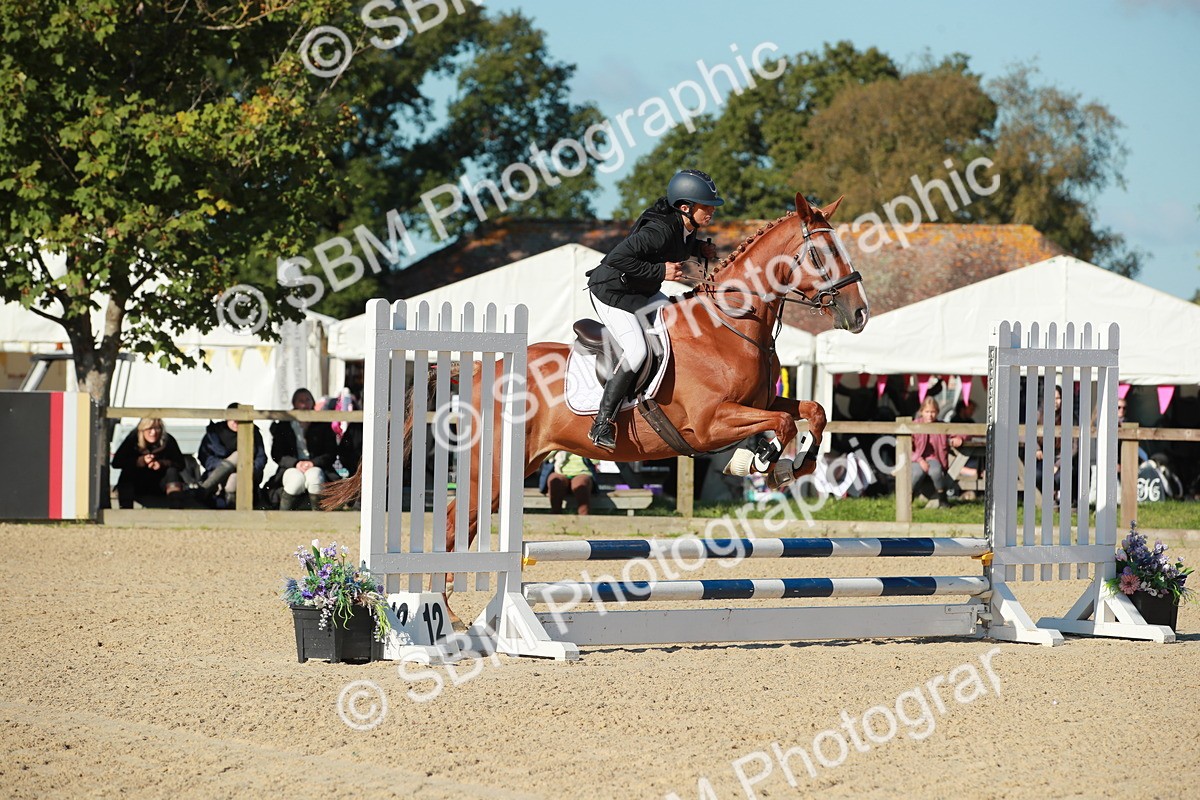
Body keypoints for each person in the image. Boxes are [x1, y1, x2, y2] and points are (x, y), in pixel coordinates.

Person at [584, 169, 722, 450]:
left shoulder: (685, 229)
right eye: (706, 206)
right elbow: (616, 258)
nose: (711, 211)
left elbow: (676, 245)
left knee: (680, 326)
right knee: (638, 350)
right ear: (686, 207)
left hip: (640, 292)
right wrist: (661, 271)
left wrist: (697, 251)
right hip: (612, 292)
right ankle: (602, 423)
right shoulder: (658, 231)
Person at [267, 388, 338, 510]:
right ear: (294, 403)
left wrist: (313, 463)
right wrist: (296, 463)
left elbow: (331, 452)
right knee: (295, 481)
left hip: (317, 466)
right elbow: (277, 454)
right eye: (300, 401)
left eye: (307, 400)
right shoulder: (284, 425)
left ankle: (319, 518)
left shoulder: (322, 424)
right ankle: (284, 518)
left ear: (313, 402)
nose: (304, 404)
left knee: (315, 477)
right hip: (291, 467)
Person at [197, 402, 267, 509]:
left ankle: (205, 489)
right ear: (226, 418)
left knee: (236, 468)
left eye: (238, 418)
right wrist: (224, 466)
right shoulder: (214, 433)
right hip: (217, 476)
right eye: (232, 418)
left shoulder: (253, 433)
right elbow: (204, 456)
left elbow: (261, 458)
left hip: (246, 475)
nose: (235, 421)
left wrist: (248, 470)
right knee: (237, 458)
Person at [111, 418, 187, 509]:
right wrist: (138, 461)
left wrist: (161, 463)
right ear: (142, 430)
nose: (153, 432)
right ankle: (125, 510)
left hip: (161, 485)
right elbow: (116, 462)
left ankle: (177, 508)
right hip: (138, 484)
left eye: (157, 429)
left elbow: (181, 463)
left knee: (172, 471)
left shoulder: (168, 440)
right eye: (149, 429)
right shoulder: (132, 440)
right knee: (127, 471)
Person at [911, 397, 958, 508]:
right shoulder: (914, 425)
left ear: (937, 412)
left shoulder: (942, 426)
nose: (930, 415)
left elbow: (962, 431)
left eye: (933, 412)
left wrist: (959, 438)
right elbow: (907, 447)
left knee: (936, 471)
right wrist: (920, 460)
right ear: (921, 412)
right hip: (916, 458)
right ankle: (909, 498)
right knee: (917, 473)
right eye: (927, 412)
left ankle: (942, 500)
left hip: (934, 458)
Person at [544, 450, 597, 515]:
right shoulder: (558, 441)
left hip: (582, 472)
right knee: (555, 480)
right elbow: (543, 457)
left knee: (581, 484)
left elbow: (596, 460)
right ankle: (555, 515)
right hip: (559, 472)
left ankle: (584, 518)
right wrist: (558, 446)